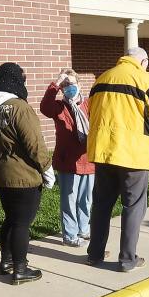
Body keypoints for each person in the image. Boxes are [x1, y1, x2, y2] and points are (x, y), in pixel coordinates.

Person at [86, 47, 149, 272]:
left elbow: (91, 113)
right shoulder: (146, 80)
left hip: (103, 152)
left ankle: (94, 254)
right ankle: (127, 259)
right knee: (133, 206)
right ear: (143, 61)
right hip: (133, 155)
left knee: (101, 205)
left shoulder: (101, 79)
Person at [0, 62, 53, 284]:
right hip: (22, 176)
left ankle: (7, 261)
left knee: (11, 219)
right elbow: (35, 144)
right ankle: (20, 269)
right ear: (14, 81)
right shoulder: (19, 107)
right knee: (22, 222)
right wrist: (47, 169)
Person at [40, 68, 94, 248]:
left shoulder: (89, 104)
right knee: (69, 200)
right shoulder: (58, 107)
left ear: (80, 85)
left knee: (86, 199)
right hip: (67, 161)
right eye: (66, 85)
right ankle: (70, 235)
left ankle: (84, 229)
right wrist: (56, 83)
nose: (69, 87)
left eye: (72, 83)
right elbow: (44, 107)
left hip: (88, 159)